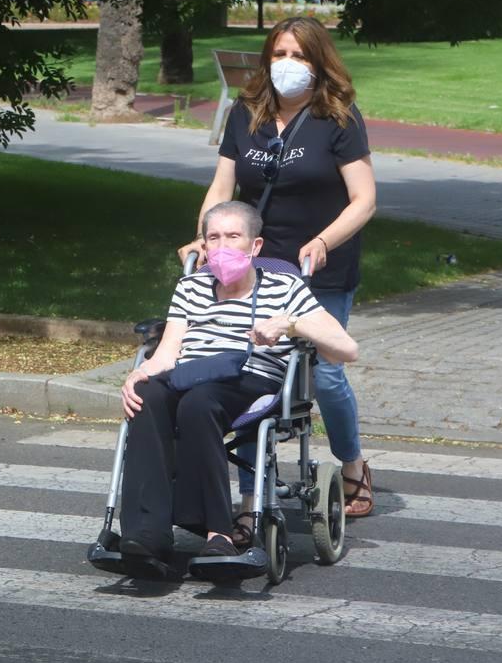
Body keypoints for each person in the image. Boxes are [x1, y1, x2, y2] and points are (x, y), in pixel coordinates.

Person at [179, 16, 377, 531]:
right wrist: (207, 236)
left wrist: (325, 240)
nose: (287, 64)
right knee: (249, 371)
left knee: (326, 373)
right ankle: (250, 496)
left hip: (318, 263)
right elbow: (223, 187)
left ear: (319, 63)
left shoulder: (338, 118)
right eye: (280, 53)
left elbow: (364, 199)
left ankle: (353, 462)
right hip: (252, 264)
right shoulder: (247, 116)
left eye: (299, 56)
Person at [122, 201, 358, 573]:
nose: (222, 246)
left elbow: (347, 349)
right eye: (213, 238)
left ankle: (220, 533)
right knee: (147, 396)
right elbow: (168, 352)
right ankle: (147, 533)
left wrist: (290, 324)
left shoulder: (285, 286)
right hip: (191, 372)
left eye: (233, 237)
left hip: (251, 379)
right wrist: (140, 374)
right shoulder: (191, 286)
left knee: (199, 404)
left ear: (255, 246)